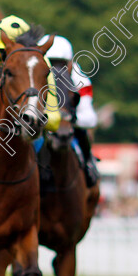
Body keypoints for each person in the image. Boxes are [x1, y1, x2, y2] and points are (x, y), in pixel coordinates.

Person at [41, 34, 100, 187]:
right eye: (52, 63)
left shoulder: (81, 80)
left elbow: (90, 118)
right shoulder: (37, 76)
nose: (56, 69)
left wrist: (69, 118)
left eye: (60, 64)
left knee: (82, 134)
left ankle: (89, 164)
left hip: (68, 126)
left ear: (70, 63)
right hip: (43, 126)